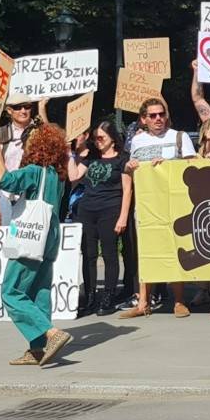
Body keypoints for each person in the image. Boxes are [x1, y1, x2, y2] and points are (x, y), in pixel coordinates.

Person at [0, 122, 74, 367]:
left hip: (30, 237)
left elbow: (4, 180)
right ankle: (37, 349)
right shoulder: (56, 174)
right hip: (49, 237)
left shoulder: (35, 171)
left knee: (11, 291)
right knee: (39, 291)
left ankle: (50, 333)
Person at [117, 95, 197, 319]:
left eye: (162, 114)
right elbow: (130, 173)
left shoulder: (179, 137)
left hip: (174, 204)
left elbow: (192, 167)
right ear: (143, 119)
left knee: (175, 249)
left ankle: (179, 300)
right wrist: (131, 166)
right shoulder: (137, 142)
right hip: (146, 206)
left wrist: (169, 166)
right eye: (153, 116)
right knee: (147, 252)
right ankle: (143, 302)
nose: (158, 119)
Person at [67, 119, 133, 317]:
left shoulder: (122, 159)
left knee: (109, 253)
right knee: (88, 255)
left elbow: (127, 190)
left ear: (112, 138)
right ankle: (89, 297)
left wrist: (122, 217)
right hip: (87, 209)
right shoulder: (91, 158)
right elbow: (73, 176)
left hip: (110, 210)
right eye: (95, 138)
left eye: (101, 138)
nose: (98, 142)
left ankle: (108, 296)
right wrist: (71, 154)